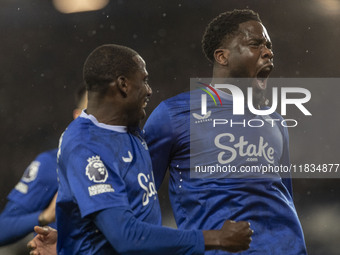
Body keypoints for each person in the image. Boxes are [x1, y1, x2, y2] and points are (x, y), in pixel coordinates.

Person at [28, 44, 252, 255]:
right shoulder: (86, 147)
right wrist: (215, 238)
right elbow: (126, 237)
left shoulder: (127, 128)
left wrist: (69, 238)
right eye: (144, 80)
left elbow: (120, 217)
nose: (150, 90)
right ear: (123, 85)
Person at [144, 9, 308, 254]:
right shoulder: (173, 114)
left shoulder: (275, 121)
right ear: (222, 56)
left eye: (269, 46)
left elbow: (283, 197)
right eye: (256, 44)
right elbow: (140, 197)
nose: (268, 52)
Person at [0, 86, 87, 246]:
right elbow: (3, 228)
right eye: (96, 112)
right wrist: (45, 216)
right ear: (79, 116)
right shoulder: (52, 164)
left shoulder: (133, 161)